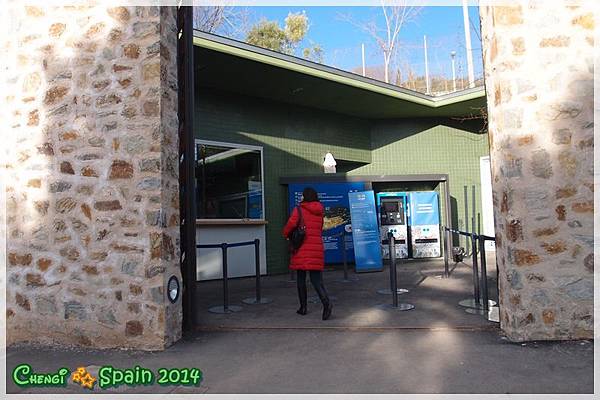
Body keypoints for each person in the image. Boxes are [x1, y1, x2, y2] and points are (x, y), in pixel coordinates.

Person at [283, 187, 332, 320]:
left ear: (304, 197)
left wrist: (286, 234)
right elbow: (319, 228)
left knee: (301, 279)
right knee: (316, 280)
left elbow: (290, 225)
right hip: (316, 248)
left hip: (301, 248)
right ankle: (326, 303)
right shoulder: (320, 211)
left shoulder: (299, 209)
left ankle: (303, 308)